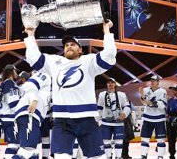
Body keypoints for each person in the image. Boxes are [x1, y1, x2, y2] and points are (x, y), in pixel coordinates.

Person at [24, 20, 116, 159]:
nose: (69, 46)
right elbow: (33, 58)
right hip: (62, 120)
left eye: (73, 44)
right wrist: (31, 34)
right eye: (66, 45)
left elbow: (109, 55)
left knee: (98, 157)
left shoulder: (89, 61)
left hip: (87, 118)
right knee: (61, 157)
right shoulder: (55, 62)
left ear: (80, 49)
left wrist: (107, 31)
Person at [13, 71, 51, 159]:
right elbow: (31, 85)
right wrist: (34, 100)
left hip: (29, 115)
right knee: (28, 150)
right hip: (29, 114)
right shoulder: (45, 74)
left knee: (33, 151)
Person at [97, 78, 131, 159]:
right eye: (108, 82)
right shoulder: (102, 94)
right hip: (105, 122)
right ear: (107, 84)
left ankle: (118, 157)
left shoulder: (121, 94)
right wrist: (97, 120)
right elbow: (99, 108)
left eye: (112, 82)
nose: (110, 84)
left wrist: (124, 113)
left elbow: (127, 106)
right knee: (106, 142)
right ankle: (109, 157)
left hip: (118, 122)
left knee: (119, 142)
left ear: (115, 84)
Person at [0, 64, 23, 159]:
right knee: (13, 145)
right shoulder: (9, 83)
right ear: (11, 71)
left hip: (5, 118)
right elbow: (13, 103)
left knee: (13, 144)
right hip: (11, 118)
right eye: (15, 71)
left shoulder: (3, 83)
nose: (17, 73)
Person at [139, 75, 167, 159]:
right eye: (151, 80)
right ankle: (143, 155)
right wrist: (142, 95)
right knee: (145, 139)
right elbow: (144, 102)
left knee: (161, 139)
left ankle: (160, 156)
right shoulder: (145, 90)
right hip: (147, 118)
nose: (152, 82)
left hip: (159, 118)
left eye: (154, 80)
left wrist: (151, 103)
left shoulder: (163, 91)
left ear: (158, 82)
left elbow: (163, 105)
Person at [166, 84, 177, 159]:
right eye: (172, 89)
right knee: (171, 139)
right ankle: (172, 154)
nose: (173, 91)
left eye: (174, 89)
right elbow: (167, 111)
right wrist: (167, 117)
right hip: (170, 123)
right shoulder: (169, 100)